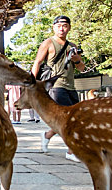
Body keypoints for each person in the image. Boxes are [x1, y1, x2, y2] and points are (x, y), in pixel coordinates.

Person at [32, 15, 85, 162]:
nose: (62, 28)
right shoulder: (48, 43)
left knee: (69, 119)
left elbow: (82, 68)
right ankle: (71, 151)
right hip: (56, 86)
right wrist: (31, 83)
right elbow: (37, 62)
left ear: (69, 27)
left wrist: (77, 60)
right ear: (54, 27)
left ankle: (46, 135)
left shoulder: (72, 46)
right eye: (59, 25)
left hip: (71, 86)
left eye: (65, 25)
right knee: (69, 119)